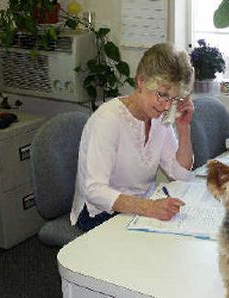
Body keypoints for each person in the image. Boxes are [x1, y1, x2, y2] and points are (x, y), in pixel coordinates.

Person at [70, 43, 195, 232]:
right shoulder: (108, 120)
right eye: (162, 95)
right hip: (100, 212)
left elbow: (180, 174)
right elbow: (94, 190)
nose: (167, 106)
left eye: (174, 99)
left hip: (139, 208)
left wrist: (184, 129)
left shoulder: (159, 117)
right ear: (141, 82)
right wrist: (149, 208)